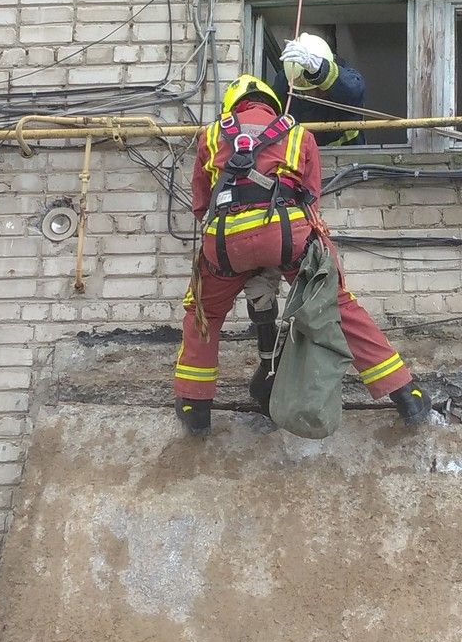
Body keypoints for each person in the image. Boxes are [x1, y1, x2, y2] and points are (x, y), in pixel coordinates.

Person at [173, 72, 431, 434]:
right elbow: (310, 198)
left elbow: (202, 205)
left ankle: (194, 406)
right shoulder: (299, 134)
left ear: (231, 107)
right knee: (336, 305)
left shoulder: (211, 135)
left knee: (203, 312)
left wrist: (239, 244)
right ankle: (406, 393)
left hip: (226, 242)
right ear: (273, 104)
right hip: (286, 235)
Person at [274, 30, 367, 146]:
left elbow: (354, 91)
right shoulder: (286, 81)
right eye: (306, 92)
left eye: (318, 89)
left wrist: (321, 70)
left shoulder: (343, 77)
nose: (314, 95)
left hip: (348, 151)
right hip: (303, 152)